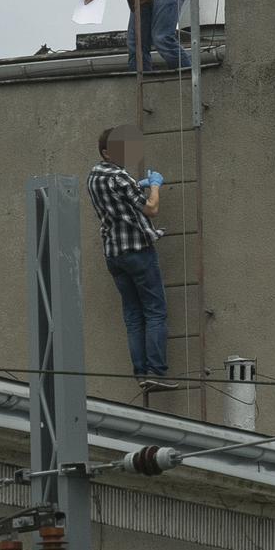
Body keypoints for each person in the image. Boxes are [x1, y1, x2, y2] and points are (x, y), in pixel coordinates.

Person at [86, 124, 177, 393]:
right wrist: (156, 187)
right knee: (155, 312)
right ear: (106, 152)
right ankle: (156, 372)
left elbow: (117, 196)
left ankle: (141, 373)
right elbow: (151, 209)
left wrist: (138, 184)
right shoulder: (120, 176)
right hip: (138, 251)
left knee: (134, 316)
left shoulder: (94, 176)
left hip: (114, 254)